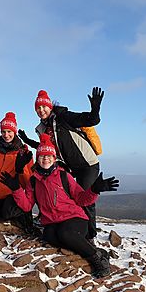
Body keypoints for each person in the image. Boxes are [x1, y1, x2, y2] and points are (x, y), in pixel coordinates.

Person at [1, 133, 119, 278]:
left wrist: (94, 190)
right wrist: (16, 189)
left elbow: (82, 199)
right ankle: (100, 251)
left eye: (49, 156)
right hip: (53, 222)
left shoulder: (64, 176)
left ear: (54, 158)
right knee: (49, 236)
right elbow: (26, 207)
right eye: (42, 156)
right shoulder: (33, 181)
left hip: (75, 218)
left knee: (66, 234)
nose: (45, 159)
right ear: (37, 158)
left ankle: (97, 259)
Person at [18, 88, 104, 238]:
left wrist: (95, 108)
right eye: (38, 108)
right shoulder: (43, 128)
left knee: (84, 197)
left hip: (87, 164)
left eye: (44, 106)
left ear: (50, 106)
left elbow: (91, 120)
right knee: (55, 189)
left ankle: (90, 234)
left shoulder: (63, 117)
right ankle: (61, 222)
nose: (41, 110)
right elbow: (46, 149)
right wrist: (27, 141)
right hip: (70, 166)